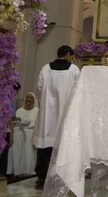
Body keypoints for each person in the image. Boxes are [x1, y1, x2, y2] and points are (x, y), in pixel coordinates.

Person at [32, 46, 80, 187]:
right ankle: (62, 175)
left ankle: (43, 175)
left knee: (46, 145)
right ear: (67, 55)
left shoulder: (45, 68)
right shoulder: (73, 70)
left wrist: (47, 104)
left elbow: (39, 88)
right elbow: (78, 91)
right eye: (71, 56)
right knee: (63, 144)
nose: (71, 59)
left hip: (47, 114)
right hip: (65, 113)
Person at [7, 93, 39, 177]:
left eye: (30, 98)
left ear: (34, 100)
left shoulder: (37, 111)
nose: (28, 99)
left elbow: (34, 123)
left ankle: (28, 171)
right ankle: (17, 171)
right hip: (19, 134)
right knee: (17, 153)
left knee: (29, 153)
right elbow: (14, 122)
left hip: (30, 135)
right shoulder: (19, 111)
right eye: (27, 97)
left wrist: (23, 122)